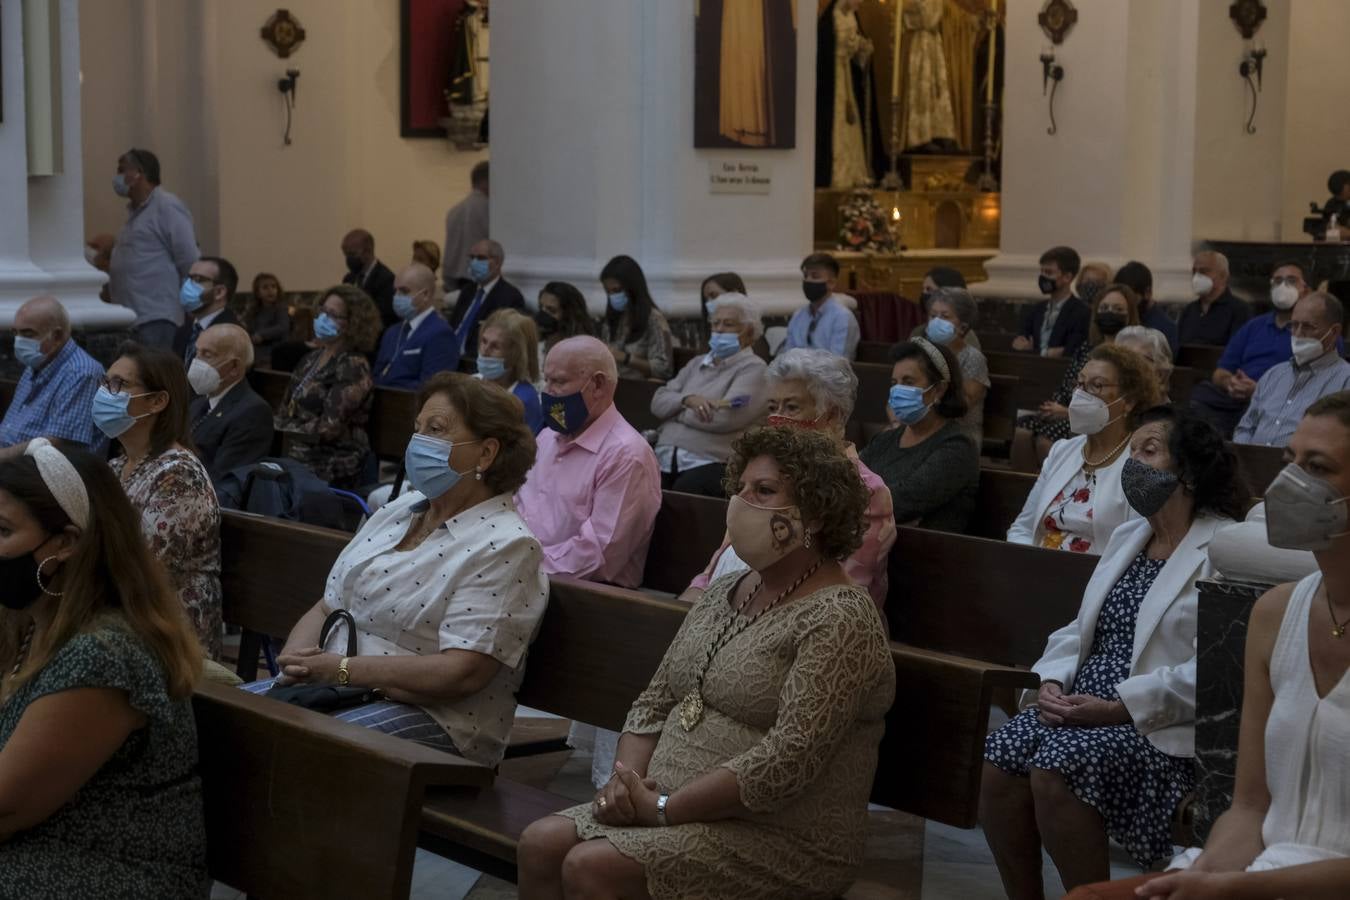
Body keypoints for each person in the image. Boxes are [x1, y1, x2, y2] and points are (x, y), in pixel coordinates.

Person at [517, 426, 896, 900]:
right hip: (666, 800)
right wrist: (626, 783)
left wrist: (661, 807)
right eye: (740, 489)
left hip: (778, 834)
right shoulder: (724, 591)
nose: (742, 504)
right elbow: (656, 700)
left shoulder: (840, 617)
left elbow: (788, 758)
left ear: (815, 513)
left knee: (592, 868)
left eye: (764, 491)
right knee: (539, 843)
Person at [1069, 393, 1350, 900]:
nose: (1289, 484)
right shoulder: (1276, 613)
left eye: (1318, 467)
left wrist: (1228, 890)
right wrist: (1203, 876)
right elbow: (1248, 809)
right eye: (1290, 462)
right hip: (1256, 874)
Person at [981, 407, 1247, 896]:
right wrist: (1053, 681)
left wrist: (1121, 708)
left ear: (1186, 470)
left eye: (1149, 451)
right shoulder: (1131, 535)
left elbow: (1219, 665)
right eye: (1132, 452)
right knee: (999, 758)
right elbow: (1080, 629)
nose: (1132, 464)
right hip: (1082, 704)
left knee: (1055, 765)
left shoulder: (1225, 548)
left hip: (1154, 722)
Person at [246, 373, 548, 766]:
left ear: (486, 453)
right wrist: (297, 660)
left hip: (438, 720)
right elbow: (329, 604)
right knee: (222, 716)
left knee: (298, 750)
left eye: (435, 430)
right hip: (336, 688)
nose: (417, 442)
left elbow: (462, 671)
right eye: (417, 428)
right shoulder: (396, 512)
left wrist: (340, 671)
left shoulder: (506, 545)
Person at [0, 440, 207, 896]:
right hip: (39, 851)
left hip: (103, 871)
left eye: (1, 531)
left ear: (65, 544)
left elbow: (7, 810)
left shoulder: (105, 654)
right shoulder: (27, 622)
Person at [689, 348, 896, 614]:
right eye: (773, 407)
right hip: (734, 606)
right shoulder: (757, 477)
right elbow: (719, 562)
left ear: (831, 416)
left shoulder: (866, 490)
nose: (777, 419)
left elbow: (842, 593)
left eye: (792, 407)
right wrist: (696, 595)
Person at [98, 344, 223, 659]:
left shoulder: (179, 475)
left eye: (120, 385)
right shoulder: (116, 467)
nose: (105, 394)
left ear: (157, 401)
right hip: (118, 613)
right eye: (104, 383)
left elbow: (143, 568)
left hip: (166, 633)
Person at [515, 336, 661, 589]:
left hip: (582, 596)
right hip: (524, 575)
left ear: (598, 385)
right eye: (546, 380)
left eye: (559, 381)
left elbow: (599, 553)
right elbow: (518, 502)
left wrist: (521, 567)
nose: (548, 392)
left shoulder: (627, 454)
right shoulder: (549, 435)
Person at [1009, 344, 1163, 553]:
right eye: (1079, 384)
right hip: (1035, 570)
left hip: (1094, 578)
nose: (1080, 394)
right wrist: (1024, 564)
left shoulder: (1139, 464)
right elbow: (1023, 528)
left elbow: (1130, 551)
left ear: (1128, 402)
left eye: (1096, 385)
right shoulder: (1062, 451)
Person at [1013, 284, 1142, 471]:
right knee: (1021, 432)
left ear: (1130, 314)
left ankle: (1059, 489)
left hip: (1100, 420)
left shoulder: (1129, 356)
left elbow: (1116, 403)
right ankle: (1026, 488)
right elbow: (1068, 384)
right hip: (1068, 410)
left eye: (1118, 309)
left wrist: (1066, 412)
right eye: (1104, 308)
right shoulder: (1086, 348)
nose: (1110, 313)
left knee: (1045, 440)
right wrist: (1053, 407)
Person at [650, 294, 768, 495]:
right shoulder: (697, 363)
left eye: (728, 324)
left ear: (749, 332)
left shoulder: (755, 369)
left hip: (710, 461)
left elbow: (723, 417)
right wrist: (688, 400)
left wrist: (675, 411)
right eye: (715, 324)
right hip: (664, 456)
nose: (719, 330)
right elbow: (657, 402)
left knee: (685, 492)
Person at [860, 338, 979, 532]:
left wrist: (870, 506)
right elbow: (845, 481)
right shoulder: (886, 439)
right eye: (894, 383)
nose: (897, 390)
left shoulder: (957, 447)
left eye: (908, 382)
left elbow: (899, 503)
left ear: (939, 390)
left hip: (926, 554)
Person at [1190, 261, 1311, 437]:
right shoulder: (1254, 326)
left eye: (1291, 281)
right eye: (1277, 281)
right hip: (1235, 397)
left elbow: (1311, 382)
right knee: (1200, 395)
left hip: (1278, 401)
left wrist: (1259, 390)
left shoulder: (1312, 330)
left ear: (1305, 289)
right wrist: (1230, 383)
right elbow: (1221, 371)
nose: (1283, 286)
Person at [274, 285, 379, 487]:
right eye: (323, 310)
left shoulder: (352, 365)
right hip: (296, 450)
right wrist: (279, 426)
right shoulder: (311, 358)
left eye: (333, 315)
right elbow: (285, 407)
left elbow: (329, 428)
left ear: (352, 323)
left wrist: (281, 428)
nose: (323, 318)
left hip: (330, 461)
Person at [106, 148, 199, 349]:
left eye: (122, 171)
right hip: (132, 315)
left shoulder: (167, 206)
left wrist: (193, 304)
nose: (117, 178)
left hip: (155, 315)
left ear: (139, 173)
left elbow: (189, 259)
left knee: (152, 374)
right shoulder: (134, 213)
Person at [1234, 292, 1350, 447]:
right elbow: (1245, 428)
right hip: (1251, 465)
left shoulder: (1345, 380)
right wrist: (1248, 458)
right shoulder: (1274, 374)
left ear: (1334, 332)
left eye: (1308, 327)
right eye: (1294, 325)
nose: (1298, 334)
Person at [0, 296, 104, 454]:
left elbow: (58, 446)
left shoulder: (81, 373)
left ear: (57, 336)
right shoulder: (37, 362)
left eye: (28, 334)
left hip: (42, 472)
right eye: (15, 333)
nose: (18, 341)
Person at [187, 323, 275, 483]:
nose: (196, 362)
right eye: (197, 352)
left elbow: (225, 478)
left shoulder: (253, 412)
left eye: (207, 355)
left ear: (234, 367)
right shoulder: (198, 404)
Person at [373, 263, 457, 390]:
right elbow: (376, 376)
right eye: (395, 290)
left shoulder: (441, 334)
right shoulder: (392, 331)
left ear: (425, 295)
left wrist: (391, 383)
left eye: (404, 291)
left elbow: (431, 387)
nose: (396, 296)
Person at [923, 286, 990, 445]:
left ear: (963, 326)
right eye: (933, 316)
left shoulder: (973, 358)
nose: (937, 321)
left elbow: (962, 405)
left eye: (945, 316)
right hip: (920, 427)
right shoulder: (921, 352)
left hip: (959, 434)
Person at [447, 239, 526, 364]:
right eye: (472, 257)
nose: (474, 262)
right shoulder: (468, 290)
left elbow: (505, 341)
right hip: (448, 356)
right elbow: (454, 326)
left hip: (474, 362)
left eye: (481, 258)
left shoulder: (510, 296)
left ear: (498, 262)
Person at [598, 255, 675, 380]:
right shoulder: (612, 319)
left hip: (640, 389)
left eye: (616, 290)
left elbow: (663, 370)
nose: (612, 296)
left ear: (632, 288)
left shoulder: (654, 319)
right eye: (608, 292)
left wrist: (626, 358)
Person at [1012, 246, 1091, 358]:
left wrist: (1035, 351)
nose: (1043, 277)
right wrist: (1049, 353)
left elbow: (1071, 351)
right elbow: (1020, 344)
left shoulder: (1082, 312)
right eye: (1042, 272)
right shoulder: (1035, 310)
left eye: (1049, 272)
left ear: (1067, 277)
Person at [782, 253, 861, 360]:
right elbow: (786, 355)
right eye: (806, 276)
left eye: (815, 276)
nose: (808, 280)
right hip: (794, 375)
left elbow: (838, 362)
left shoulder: (842, 318)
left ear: (831, 283)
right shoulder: (799, 315)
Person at [477, 308, 544, 434]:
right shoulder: (471, 381)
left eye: (495, 346)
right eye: (484, 341)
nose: (485, 351)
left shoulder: (524, 400)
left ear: (516, 355)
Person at [173, 255, 241, 365]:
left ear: (219, 292)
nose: (187, 285)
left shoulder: (231, 336)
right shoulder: (184, 330)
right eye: (188, 278)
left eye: (197, 279)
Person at [1177, 251, 1250, 348]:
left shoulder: (1239, 310)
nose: (1197, 277)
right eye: (1194, 272)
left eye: (1203, 272)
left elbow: (1237, 351)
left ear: (1223, 276)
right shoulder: (1189, 310)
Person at [442, 159, 490, 292]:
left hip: (454, 281)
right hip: (479, 281)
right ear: (486, 181)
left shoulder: (454, 211)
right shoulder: (490, 210)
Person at [1115, 261, 1179, 356]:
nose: (1125, 303)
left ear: (1147, 293)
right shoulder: (1120, 319)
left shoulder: (1164, 329)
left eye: (1131, 297)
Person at [911, 266, 983, 350]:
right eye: (933, 315)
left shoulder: (967, 338)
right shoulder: (919, 332)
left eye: (929, 289)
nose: (924, 293)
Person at [340, 228, 397, 329]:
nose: (349, 259)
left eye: (352, 254)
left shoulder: (386, 279)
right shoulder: (349, 279)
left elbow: (381, 318)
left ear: (368, 251)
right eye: (346, 254)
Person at [241, 272, 291, 362]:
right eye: (265, 287)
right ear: (258, 293)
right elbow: (249, 327)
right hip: (257, 348)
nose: (270, 290)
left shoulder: (280, 307)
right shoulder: (254, 310)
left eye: (273, 287)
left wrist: (262, 335)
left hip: (276, 349)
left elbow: (282, 327)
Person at [537, 281, 597, 356]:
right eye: (540, 308)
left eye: (552, 310)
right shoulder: (536, 346)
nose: (543, 315)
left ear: (569, 314)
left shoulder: (584, 350)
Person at [1116, 326, 1174, 402]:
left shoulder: (1164, 412)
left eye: (1136, 360)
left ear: (1160, 374)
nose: (1125, 366)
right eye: (1120, 359)